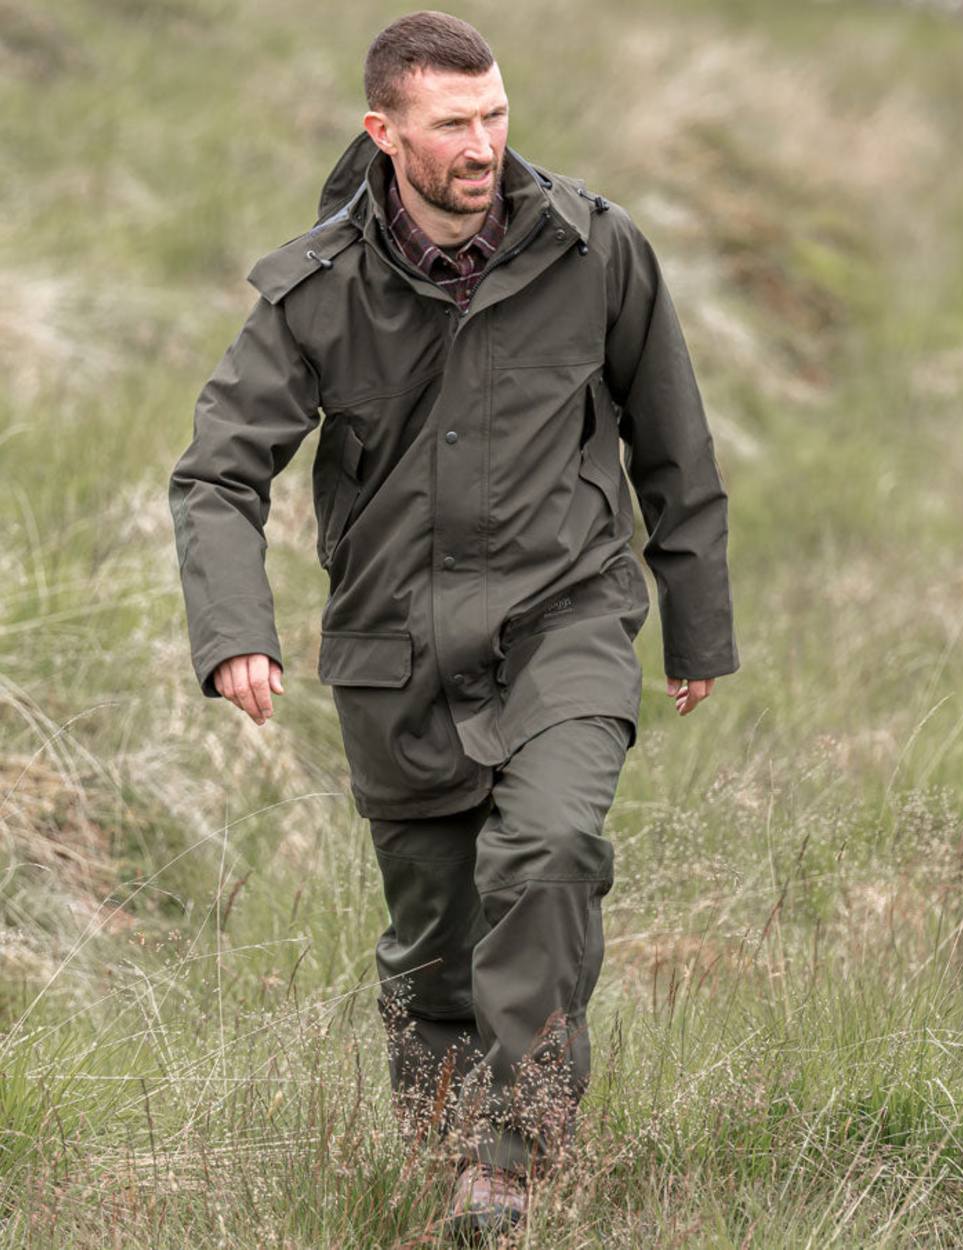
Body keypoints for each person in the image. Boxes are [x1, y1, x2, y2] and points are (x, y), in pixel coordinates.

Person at [168, 9, 739, 1239]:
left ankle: (513, 1157)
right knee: (433, 950)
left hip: (565, 616)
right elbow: (217, 474)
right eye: (452, 124)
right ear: (385, 131)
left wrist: (693, 627)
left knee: (544, 856)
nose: (481, 145)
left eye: (495, 116)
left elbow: (672, 440)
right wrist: (233, 630)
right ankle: (440, 1163)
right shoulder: (315, 289)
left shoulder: (596, 249)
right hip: (395, 654)